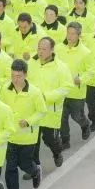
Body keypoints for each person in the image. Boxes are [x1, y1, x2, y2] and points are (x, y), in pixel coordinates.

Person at [0, 59, 46, 189]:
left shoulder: (35, 92)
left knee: (25, 164)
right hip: (10, 136)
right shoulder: (5, 89)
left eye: (18, 76)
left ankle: (35, 171)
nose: (15, 79)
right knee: (10, 167)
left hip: (27, 137)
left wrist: (29, 121)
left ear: (25, 75)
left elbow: (42, 111)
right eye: (13, 75)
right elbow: (0, 108)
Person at [27, 37, 73, 170]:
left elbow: (67, 87)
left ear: (52, 50)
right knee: (32, 141)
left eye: (44, 49)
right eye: (39, 48)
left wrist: (47, 96)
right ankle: (35, 168)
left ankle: (57, 153)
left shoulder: (61, 67)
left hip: (50, 111)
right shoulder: (31, 62)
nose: (40, 52)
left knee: (50, 139)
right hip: (33, 110)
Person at [56, 22, 93, 149]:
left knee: (77, 116)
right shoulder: (58, 48)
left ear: (79, 35)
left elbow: (91, 71)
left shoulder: (85, 52)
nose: (70, 36)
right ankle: (65, 141)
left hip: (76, 92)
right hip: (61, 91)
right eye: (68, 33)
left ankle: (85, 124)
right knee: (62, 118)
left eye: (73, 34)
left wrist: (81, 79)